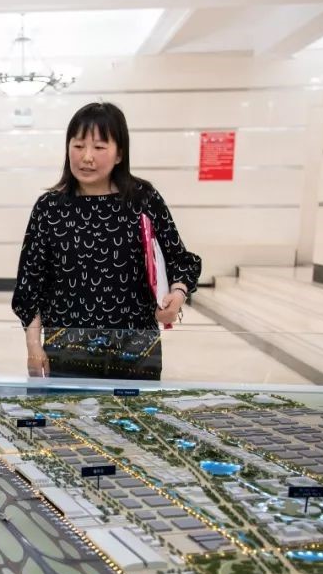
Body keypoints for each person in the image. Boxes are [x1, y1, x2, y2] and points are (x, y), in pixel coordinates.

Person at [12, 101, 201, 380]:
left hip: (136, 351)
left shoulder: (143, 199)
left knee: (134, 410)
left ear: (119, 153)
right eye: (78, 146)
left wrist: (178, 294)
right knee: (68, 410)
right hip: (67, 350)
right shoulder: (49, 207)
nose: (87, 157)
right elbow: (30, 285)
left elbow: (180, 260)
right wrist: (33, 345)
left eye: (99, 147)